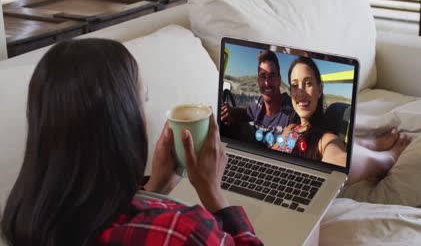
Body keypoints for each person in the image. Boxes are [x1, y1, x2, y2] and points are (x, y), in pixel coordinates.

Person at [0, 39, 263, 246]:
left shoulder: (23, 217)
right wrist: (213, 192)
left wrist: (154, 188)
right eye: (143, 100)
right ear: (122, 122)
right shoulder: (185, 231)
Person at [273, 56, 411, 185]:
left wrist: (389, 158)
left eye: (308, 83)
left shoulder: (325, 140)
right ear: (290, 91)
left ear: (319, 90)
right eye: (295, 85)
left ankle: (385, 158)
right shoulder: (290, 128)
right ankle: (368, 144)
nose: (300, 92)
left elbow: (338, 162)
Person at [221, 51, 298, 147]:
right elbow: (245, 112)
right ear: (258, 80)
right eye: (263, 76)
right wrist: (230, 111)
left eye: (272, 76)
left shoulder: (292, 110)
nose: (267, 83)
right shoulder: (258, 104)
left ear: (279, 80)